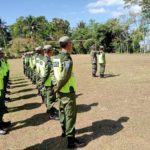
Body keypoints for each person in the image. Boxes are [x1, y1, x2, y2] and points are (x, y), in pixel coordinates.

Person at [53, 36, 85, 148]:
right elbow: (65, 77)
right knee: (70, 115)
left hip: (60, 90)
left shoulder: (56, 57)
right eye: (71, 43)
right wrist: (57, 88)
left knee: (62, 111)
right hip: (67, 91)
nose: (72, 44)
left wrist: (55, 87)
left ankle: (64, 131)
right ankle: (71, 141)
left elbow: (54, 74)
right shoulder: (67, 59)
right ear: (68, 44)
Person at [40, 45, 58, 120]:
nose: (53, 52)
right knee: (50, 97)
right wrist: (43, 81)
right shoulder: (48, 60)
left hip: (45, 81)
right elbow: (47, 73)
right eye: (52, 50)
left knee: (47, 97)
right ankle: (51, 114)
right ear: (49, 51)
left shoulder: (43, 59)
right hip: (48, 82)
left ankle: (49, 110)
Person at [0, 48, 11, 135]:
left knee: (1, 108)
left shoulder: (1, 62)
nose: (2, 54)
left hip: (0, 87)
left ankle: (1, 122)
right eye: (0, 53)